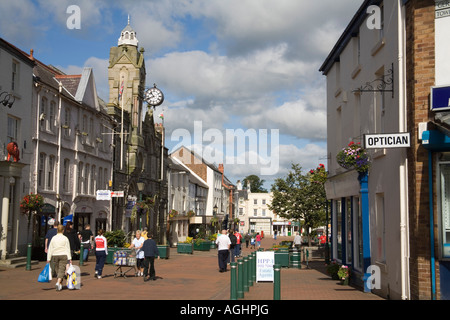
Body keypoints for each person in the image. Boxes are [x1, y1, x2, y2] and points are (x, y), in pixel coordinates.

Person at [47, 224, 72, 291]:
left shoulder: (53, 238)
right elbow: (67, 248)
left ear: (57, 230)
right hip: (63, 254)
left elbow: (50, 248)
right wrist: (69, 258)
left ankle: (59, 283)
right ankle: (58, 283)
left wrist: (48, 258)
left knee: (57, 270)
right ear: (63, 230)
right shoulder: (65, 238)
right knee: (61, 269)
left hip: (55, 255)